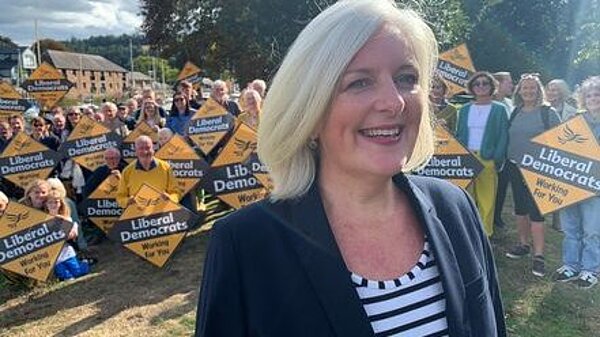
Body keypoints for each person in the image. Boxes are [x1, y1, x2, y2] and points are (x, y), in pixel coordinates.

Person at [195, 1, 506, 336]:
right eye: (359, 83)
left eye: (406, 77)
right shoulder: (245, 244)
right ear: (309, 112)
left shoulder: (454, 207)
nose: (394, 102)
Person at [504, 73, 560, 277]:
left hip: (539, 170)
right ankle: (523, 245)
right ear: (519, 90)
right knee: (520, 208)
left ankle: (539, 256)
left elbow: (560, 142)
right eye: (524, 88)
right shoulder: (515, 111)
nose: (528, 91)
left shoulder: (548, 113)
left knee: (536, 212)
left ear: (539, 91)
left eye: (532, 88)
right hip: (515, 167)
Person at [554, 76, 600, 289]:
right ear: (583, 98)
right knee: (570, 227)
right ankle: (570, 265)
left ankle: (590, 269)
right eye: (589, 95)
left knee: (592, 230)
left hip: (596, 187)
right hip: (571, 184)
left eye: (597, 94)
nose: (593, 98)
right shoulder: (574, 120)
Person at [456, 72, 509, 237]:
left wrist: (496, 159)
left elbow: (503, 136)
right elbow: (459, 133)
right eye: (477, 84)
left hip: (487, 158)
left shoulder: (499, 109)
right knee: (466, 197)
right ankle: (469, 231)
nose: (481, 86)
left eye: (485, 83)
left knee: (487, 199)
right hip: (467, 157)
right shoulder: (464, 109)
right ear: (472, 87)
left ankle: (486, 234)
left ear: (491, 86)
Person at [116, 135, 181, 208]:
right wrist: (127, 201)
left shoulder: (166, 167)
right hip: (137, 215)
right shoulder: (127, 171)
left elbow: (176, 193)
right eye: (141, 148)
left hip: (162, 214)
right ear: (136, 151)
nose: (145, 151)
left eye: (148, 148)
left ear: (153, 149)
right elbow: (120, 197)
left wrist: (170, 198)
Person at [45, 189, 91, 281]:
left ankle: (85, 263)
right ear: (46, 204)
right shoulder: (43, 219)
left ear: (60, 203)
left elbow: (70, 234)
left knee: (77, 271)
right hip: (54, 254)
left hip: (66, 251)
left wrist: (59, 218)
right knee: (64, 274)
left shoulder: (65, 217)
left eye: (56, 202)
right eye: (50, 202)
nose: (53, 205)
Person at [492, 71, 514, 229]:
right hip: (489, 152)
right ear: (498, 83)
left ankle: (496, 216)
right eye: (509, 82)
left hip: (507, 152)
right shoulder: (485, 102)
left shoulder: (510, 103)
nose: (512, 85)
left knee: (502, 185)